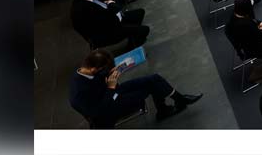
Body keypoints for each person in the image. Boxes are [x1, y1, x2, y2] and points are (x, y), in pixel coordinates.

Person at [70, 49, 202, 127]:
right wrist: (110, 87)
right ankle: (165, 109)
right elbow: (98, 113)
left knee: (154, 78)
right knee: (151, 87)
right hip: (109, 109)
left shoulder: (88, 70)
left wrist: (111, 73)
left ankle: (178, 99)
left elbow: (100, 77)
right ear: (94, 68)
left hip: (115, 91)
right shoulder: (78, 93)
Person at [70, 0, 149, 50]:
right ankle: (132, 45)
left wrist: (112, 4)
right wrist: (112, 5)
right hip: (107, 31)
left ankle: (132, 34)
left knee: (140, 12)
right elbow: (107, 18)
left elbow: (109, 4)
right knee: (144, 30)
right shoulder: (84, 8)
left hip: (112, 18)